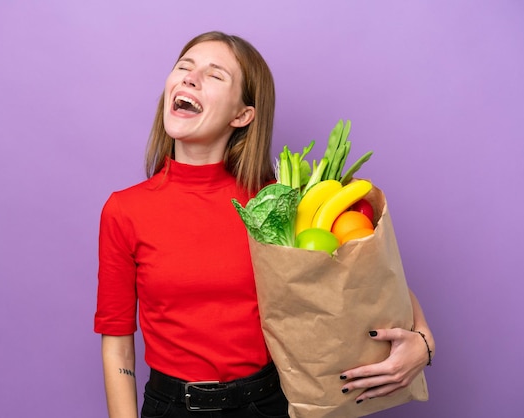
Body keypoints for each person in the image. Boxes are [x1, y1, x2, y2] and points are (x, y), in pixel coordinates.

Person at [94, 31, 435, 418]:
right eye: (184, 67)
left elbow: (368, 278)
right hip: (171, 407)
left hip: (268, 404)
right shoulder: (125, 210)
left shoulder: (280, 203)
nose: (190, 78)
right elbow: (118, 345)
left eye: (214, 75)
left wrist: (423, 343)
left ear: (243, 115)